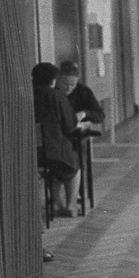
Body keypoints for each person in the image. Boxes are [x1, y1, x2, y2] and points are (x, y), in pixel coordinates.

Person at [33, 62, 88, 217]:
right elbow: (69, 126)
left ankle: (56, 203)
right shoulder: (55, 96)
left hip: (28, 154)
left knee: (55, 163)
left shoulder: (24, 94)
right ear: (53, 80)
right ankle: (71, 205)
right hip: (52, 152)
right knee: (73, 163)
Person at [57, 61, 105, 125]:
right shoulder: (52, 92)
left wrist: (85, 114)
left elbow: (101, 115)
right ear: (58, 79)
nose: (68, 88)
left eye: (72, 85)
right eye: (65, 84)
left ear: (77, 81)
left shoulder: (83, 91)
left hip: (78, 129)